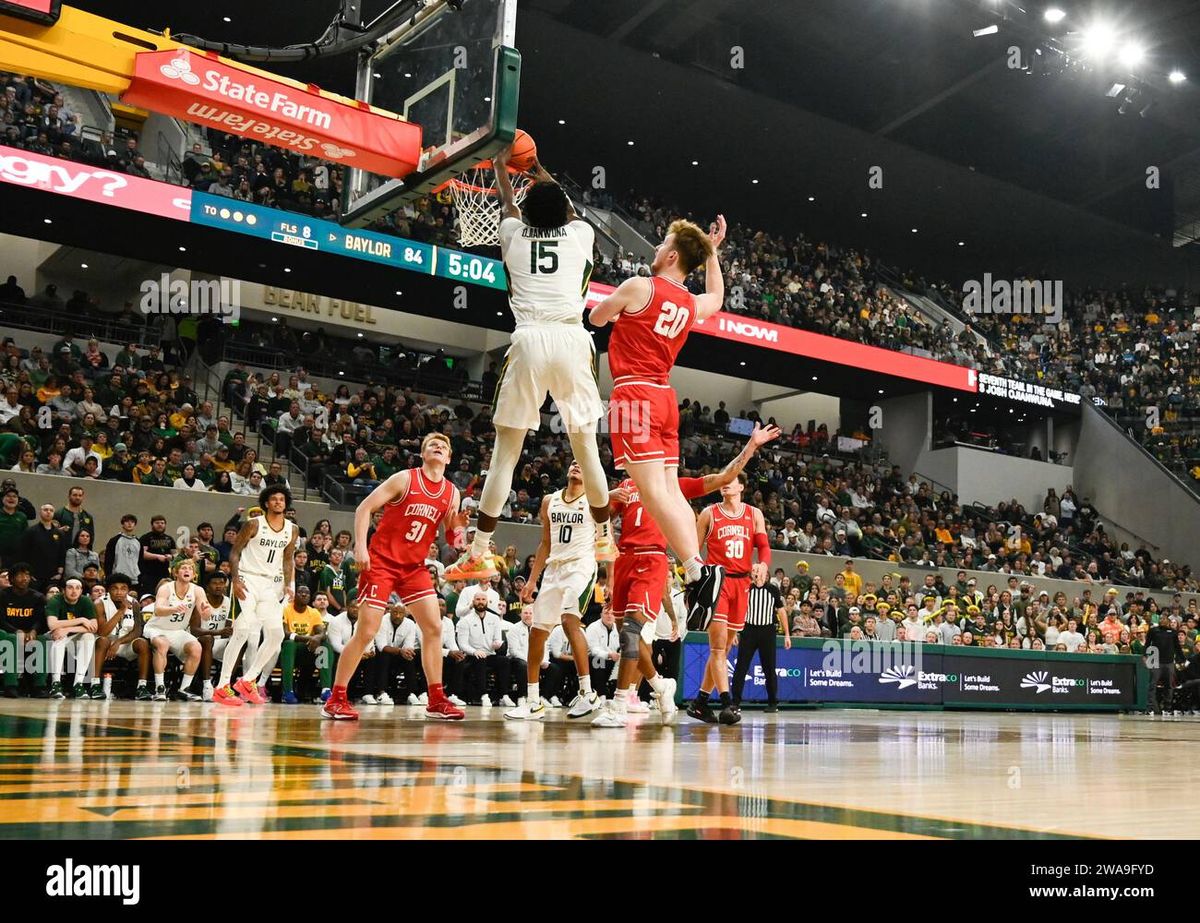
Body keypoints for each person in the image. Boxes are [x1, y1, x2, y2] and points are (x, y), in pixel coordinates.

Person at [452, 145, 615, 585]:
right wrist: (537, 165)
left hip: (528, 339)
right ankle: (603, 536)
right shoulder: (580, 235)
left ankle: (479, 551)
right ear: (564, 212)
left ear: (524, 214)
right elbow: (563, 205)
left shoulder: (512, 233)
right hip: (571, 338)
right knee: (586, 448)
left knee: (505, 453)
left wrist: (505, 171)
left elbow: (508, 204)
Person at [589, 211, 728, 629]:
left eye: (661, 243)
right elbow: (717, 300)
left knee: (652, 495)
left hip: (634, 394)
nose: (656, 248)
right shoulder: (688, 301)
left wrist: (616, 314)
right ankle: (698, 569)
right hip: (666, 396)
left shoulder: (639, 287)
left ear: (671, 255)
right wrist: (713, 256)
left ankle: (697, 572)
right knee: (671, 492)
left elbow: (596, 318)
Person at [596, 423, 779, 727]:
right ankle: (660, 685)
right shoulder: (626, 486)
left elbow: (722, 477)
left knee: (633, 632)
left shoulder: (674, 486)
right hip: (625, 558)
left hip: (654, 559)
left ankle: (620, 703)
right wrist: (603, 495)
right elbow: (599, 517)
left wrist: (751, 446)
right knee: (625, 634)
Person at [322, 432, 469, 721]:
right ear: (423, 454)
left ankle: (436, 699)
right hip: (382, 562)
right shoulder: (405, 478)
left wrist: (460, 528)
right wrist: (361, 548)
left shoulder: (453, 493)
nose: (438, 448)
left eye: (443, 446)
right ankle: (336, 697)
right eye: (432, 445)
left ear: (449, 458)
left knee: (434, 628)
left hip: (414, 567)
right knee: (366, 631)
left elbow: (453, 538)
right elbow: (365, 507)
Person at [504, 462, 603, 721]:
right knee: (537, 634)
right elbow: (545, 543)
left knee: (570, 620)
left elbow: (607, 541)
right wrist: (533, 580)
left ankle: (587, 692)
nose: (576, 465)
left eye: (582, 463)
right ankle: (534, 701)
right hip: (553, 569)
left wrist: (610, 581)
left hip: (580, 566)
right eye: (572, 462)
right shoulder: (550, 500)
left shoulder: (596, 498)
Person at [688, 472, 771, 725]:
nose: (725, 484)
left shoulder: (754, 514)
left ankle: (701, 702)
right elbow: (692, 549)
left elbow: (764, 547)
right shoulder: (708, 514)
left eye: (731, 481)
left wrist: (764, 565)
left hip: (743, 583)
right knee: (717, 647)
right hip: (718, 582)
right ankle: (728, 704)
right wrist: (699, 578)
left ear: (741, 486)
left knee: (724, 649)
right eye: (722, 481)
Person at [214, 486, 297, 706]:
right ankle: (222, 686)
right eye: (274, 499)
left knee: (276, 635)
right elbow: (235, 552)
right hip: (248, 579)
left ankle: (248, 680)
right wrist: (236, 579)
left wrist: (289, 584)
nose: (279, 502)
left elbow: (288, 559)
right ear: (266, 503)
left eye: (282, 499)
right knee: (242, 630)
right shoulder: (254, 524)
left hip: (271, 585)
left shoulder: (292, 529)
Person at [144, 558, 210, 701]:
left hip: (177, 631)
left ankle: (184, 689)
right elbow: (158, 610)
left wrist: (206, 611)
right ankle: (159, 689)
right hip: (157, 628)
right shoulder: (166, 588)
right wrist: (173, 609)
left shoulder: (198, 590)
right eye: (183, 568)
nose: (187, 570)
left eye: (190, 569)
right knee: (162, 644)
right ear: (175, 572)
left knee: (196, 648)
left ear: (194, 574)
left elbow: (205, 615)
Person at [731, 568, 791, 713]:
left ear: (766, 575)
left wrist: (787, 634)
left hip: (767, 632)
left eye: (760, 572)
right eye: (755, 572)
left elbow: (781, 611)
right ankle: (735, 702)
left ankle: (772, 703)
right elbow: (736, 609)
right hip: (748, 631)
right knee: (741, 667)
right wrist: (733, 632)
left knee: (769, 668)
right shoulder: (747, 588)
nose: (757, 575)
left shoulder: (773, 590)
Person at [91, 572, 151, 700]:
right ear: (108, 590)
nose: (119, 592)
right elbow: (102, 632)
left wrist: (119, 642)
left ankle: (142, 687)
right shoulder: (99, 603)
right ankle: (95, 685)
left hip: (124, 643)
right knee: (103, 640)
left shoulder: (134, 603)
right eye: (115, 588)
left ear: (128, 590)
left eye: (123, 588)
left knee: (142, 643)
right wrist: (120, 611)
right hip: (104, 643)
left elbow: (137, 631)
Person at [46, 577, 99, 699]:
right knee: (59, 637)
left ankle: (78, 684)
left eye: (78, 588)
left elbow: (94, 627)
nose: (74, 591)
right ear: (64, 590)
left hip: (73, 636)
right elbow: (52, 625)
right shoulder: (55, 600)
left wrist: (68, 629)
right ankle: (56, 683)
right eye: (70, 587)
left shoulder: (86, 601)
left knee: (89, 637)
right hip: (53, 636)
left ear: (81, 591)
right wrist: (81, 620)